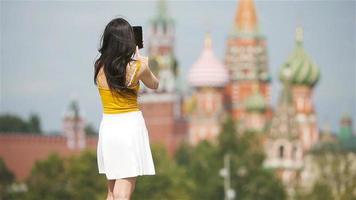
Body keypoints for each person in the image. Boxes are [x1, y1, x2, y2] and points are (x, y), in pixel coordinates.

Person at [93, 17, 159, 200]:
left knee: (112, 191)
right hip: (129, 127)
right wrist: (144, 65)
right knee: (124, 192)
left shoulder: (99, 66)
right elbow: (154, 84)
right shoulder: (137, 68)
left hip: (108, 128)